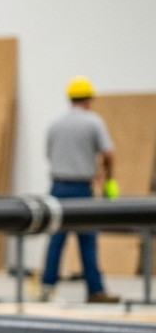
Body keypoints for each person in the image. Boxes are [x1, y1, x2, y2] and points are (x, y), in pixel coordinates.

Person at [39, 75, 119, 304]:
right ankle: (95, 290)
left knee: (56, 239)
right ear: (89, 99)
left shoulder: (55, 123)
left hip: (57, 186)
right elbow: (108, 154)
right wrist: (108, 179)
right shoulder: (93, 122)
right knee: (87, 239)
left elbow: (48, 154)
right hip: (82, 188)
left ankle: (47, 287)